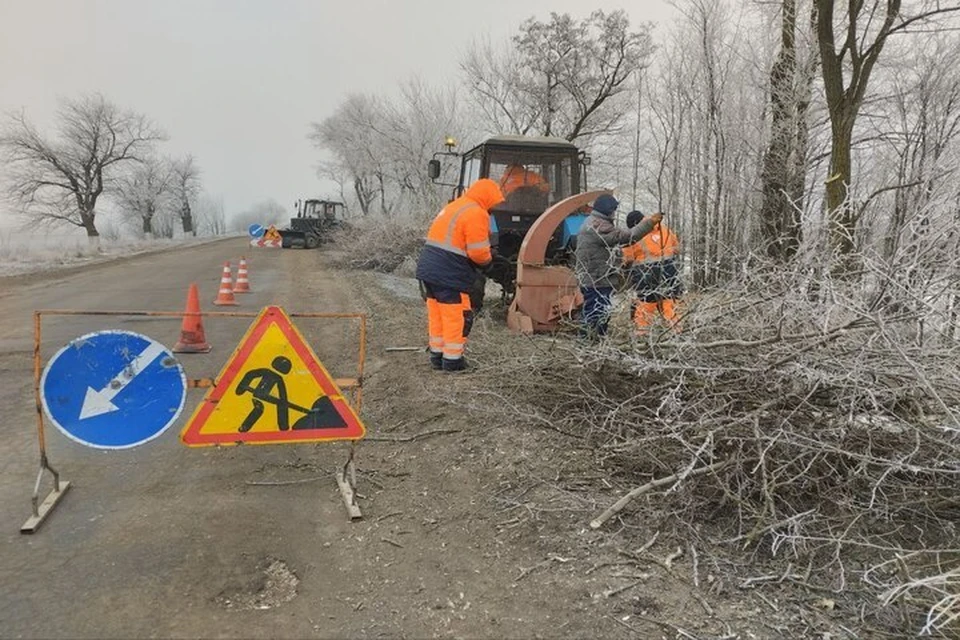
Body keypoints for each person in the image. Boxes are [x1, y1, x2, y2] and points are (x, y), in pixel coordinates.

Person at [416, 178, 505, 372]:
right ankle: (453, 362)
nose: (495, 206)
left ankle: (437, 356)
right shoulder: (477, 213)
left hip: (428, 269)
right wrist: (489, 263)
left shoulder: (456, 206)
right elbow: (478, 252)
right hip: (448, 272)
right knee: (458, 316)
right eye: (495, 201)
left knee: (437, 315)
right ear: (487, 197)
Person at [574, 195, 661, 340]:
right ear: (607, 210)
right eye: (613, 210)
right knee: (597, 313)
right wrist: (649, 223)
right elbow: (626, 237)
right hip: (597, 279)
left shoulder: (593, 222)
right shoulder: (598, 226)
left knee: (598, 312)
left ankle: (595, 342)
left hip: (595, 277)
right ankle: (589, 343)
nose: (614, 213)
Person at [623, 210, 682, 334]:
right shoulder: (665, 229)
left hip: (646, 274)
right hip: (669, 271)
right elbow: (677, 249)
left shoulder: (633, 235)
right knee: (668, 302)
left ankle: (642, 334)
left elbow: (627, 259)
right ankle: (676, 331)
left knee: (646, 304)